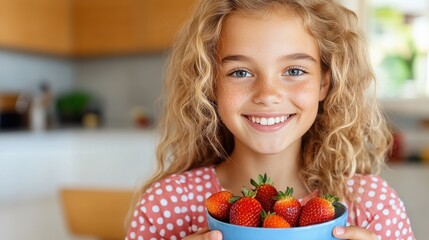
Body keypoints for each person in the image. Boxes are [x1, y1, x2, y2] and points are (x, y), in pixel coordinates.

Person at [126, 0, 415, 239]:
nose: (268, 94)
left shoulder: (370, 205)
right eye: (240, 72)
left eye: (294, 71)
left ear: (324, 83)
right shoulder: (167, 205)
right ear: (210, 84)